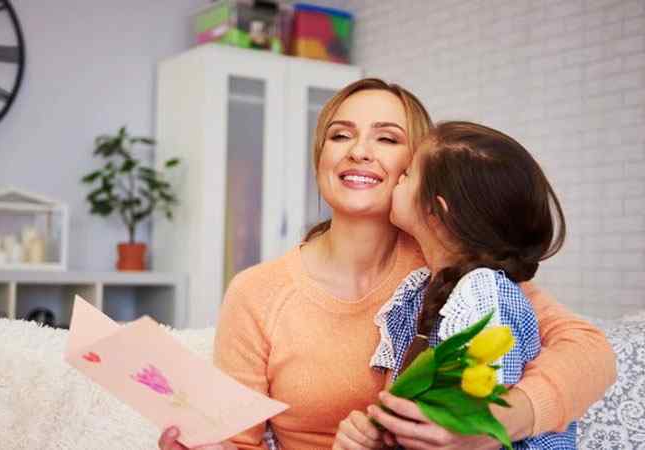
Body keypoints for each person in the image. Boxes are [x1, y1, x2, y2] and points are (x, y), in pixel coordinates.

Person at [158, 79, 616, 450]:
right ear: (320, 159)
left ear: (418, 166)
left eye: (386, 137)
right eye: (340, 135)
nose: (358, 150)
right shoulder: (256, 291)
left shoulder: (456, 272)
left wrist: (487, 426)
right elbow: (241, 443)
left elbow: (590, 353)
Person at [334, 121, 578, 449]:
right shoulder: (420, 289)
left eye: (406, 175)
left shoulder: (483, 294)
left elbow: (470, 426)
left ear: (435, 210)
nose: (397, 182)